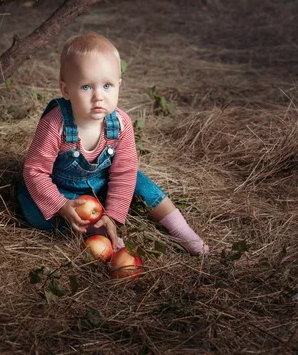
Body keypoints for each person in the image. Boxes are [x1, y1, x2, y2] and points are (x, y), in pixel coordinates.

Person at [16, 32, 208, 255]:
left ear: (118, 85)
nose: (98, 96)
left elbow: (123, 172)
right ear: (66, 90)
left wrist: (114, 214)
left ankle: (180, 229)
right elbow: (35, 171)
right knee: (36, 213)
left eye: (107, 86)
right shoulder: (54, 124)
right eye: (86, 87)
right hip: (61, 189)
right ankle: (93, 230)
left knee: (137, 179)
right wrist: (60, 205)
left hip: (102, 183)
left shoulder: (121, 123)